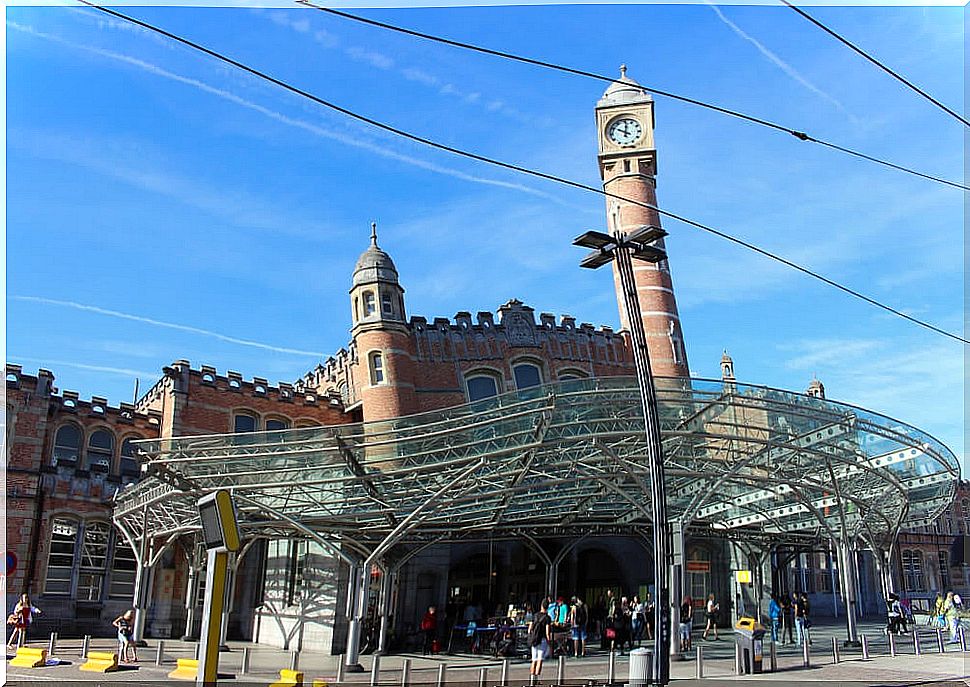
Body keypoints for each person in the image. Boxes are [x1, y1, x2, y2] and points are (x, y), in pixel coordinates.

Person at [528, 600, 553, 678]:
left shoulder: (535, 615)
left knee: (534, 660)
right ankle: (537, 679)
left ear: (541, 606)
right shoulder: (547, 618)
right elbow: (547, 632)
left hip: (534, 640)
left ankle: (532, 679)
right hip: (542, 640)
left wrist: (532, 636)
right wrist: (550, 643)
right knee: (540, 660)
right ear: (548, 607)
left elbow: (529, 629)